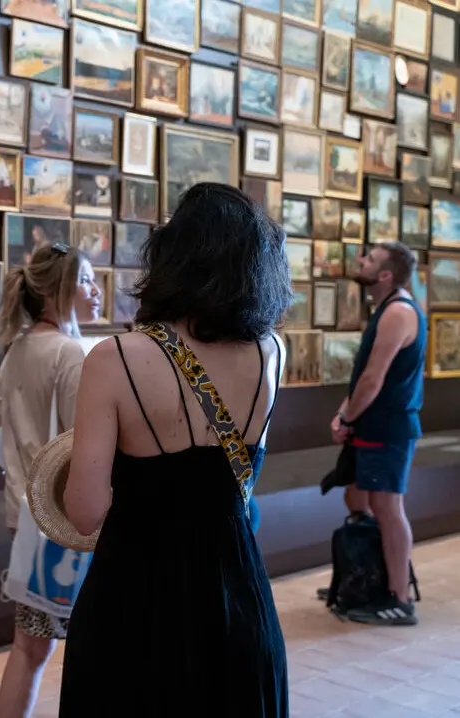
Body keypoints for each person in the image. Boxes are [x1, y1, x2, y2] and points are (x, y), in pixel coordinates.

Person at [60, 183, 291, 716]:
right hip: (237, 591)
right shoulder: (271, 353)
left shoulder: (116, 358)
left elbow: (84, 511)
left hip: (136, 598)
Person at [0, 243, 100, 718]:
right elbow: (85, 444)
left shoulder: (18, 348)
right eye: (86, 280)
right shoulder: (70, 352)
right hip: (64, 521)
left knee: (29, 648)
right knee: (59, 648)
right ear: (57, 291)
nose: (96, 290)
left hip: (26, 512)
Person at [330, 242, 427, 626]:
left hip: (388, 427)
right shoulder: (388, 309)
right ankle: (367, 578)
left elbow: (373, 379)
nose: (361, 261)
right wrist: (345, 412)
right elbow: (364, 375)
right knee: (358, 498)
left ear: (385, 275)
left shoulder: (398, 313)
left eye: (369, 259)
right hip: (372, 424)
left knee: (389, 509)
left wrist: (348, 417)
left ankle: (399, 600)